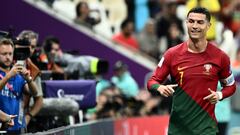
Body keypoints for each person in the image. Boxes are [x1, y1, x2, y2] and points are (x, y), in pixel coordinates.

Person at [147, 7, 236, 135]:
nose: (194, 26)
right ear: (186, 23)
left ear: (208, 26)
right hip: (178, 130)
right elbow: (152, 81)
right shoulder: (172, 54)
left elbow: (231, 86)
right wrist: (159, 87)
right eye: (191, 21)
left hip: (206, 129)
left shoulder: (220, 57)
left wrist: (219, 95)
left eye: (200, 22)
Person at [0, 38, 38, 133]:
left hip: (19, 126)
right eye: (4, 54)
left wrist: (28, 79)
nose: (8, 57)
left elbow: (34, 92)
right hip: (2, 127)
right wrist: (8, 75)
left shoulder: (18, 73)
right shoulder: (12, 73)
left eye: (10, 54)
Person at [17, 30, 43, 131]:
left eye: (33, 47)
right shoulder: (6, 62)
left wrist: (28, 117)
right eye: (27, 45)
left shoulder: (34, 70)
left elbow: (39, 100)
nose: (30, 49)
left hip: (20, 118)